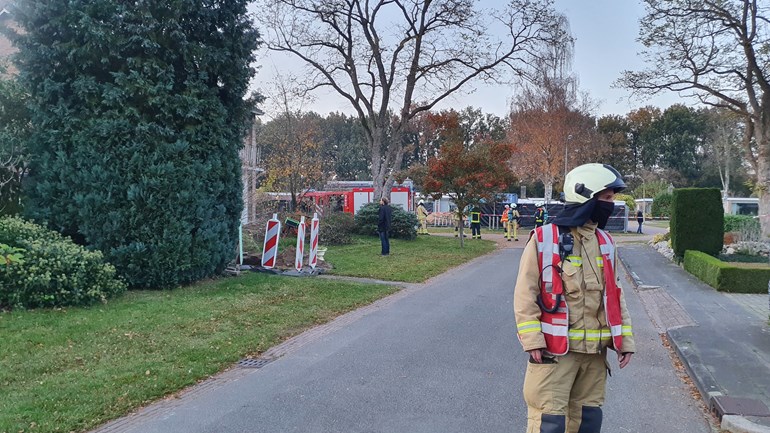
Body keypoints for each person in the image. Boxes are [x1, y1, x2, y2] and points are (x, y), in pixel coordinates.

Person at [514, 163, 635, 433]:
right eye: (606, 198)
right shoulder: (545, 238)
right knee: (549, 423)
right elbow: (525, 293)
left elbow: (616, 295)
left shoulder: (605, 241)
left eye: (612, 198)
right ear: (585, 196)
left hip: (594, 356)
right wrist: (532, 340)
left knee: (587, 422)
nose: (611, 204)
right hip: (556, 353)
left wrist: (624, 341)